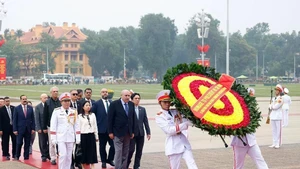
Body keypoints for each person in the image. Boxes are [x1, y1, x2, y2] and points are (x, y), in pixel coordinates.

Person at [155, 90, 198, 169]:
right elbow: (169, 130)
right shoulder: (160, 116)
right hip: (173, 145)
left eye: (169, 102)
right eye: (165, 102)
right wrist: (184, 125)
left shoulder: (175, 111)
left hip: (184, 143)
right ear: (160, 103)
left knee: (192, 165)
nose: (167, 104)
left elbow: (188, 120)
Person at [231, 88, 269, 169]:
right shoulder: (237, 108)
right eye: (249, 95)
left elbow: (254, 123)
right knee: (238, 166)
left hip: (251, 142)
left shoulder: (253, 109)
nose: (251, 97)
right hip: (239, 143)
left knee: (260, 161)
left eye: (252, 95)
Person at [50, 92, 80, 169]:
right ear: (61, 102)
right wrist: (53, 138)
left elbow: (76, 125)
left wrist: (78, 137)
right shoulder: (57, 111)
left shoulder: (74, 111)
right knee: (63, 155)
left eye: (68, 101)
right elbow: (53, 125)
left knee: (69, 156)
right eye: (65, 101)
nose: (67, 103)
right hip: (61, 136)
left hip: (70, 136)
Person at [108, 89, 135, 169]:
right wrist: (110, 132)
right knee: (118, 152)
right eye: (126, 96)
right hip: (117, 132)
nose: (127, 97)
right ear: (121, 95)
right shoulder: (114, 104)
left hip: (127, 132)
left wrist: (132, 131)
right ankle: (118, 167)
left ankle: (123, 167)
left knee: (125, 152)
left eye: (128, 96)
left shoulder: (131, 104)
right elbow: (110, 119)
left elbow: (132, 118)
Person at [91, 88, 115, 168]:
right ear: (100, 93)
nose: (105, 93)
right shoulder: (97, 103)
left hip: (111, 130)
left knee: (113, 145)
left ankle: (110, 159)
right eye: (103, 92)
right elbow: (92, 114)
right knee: (102, 146)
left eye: (106, 92)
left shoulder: (112, 103)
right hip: (101, 129)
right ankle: (103, 161)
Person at [127, 93, 151, 169]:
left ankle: (137, 165)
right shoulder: (129, 109)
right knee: (131, 150)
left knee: (139, 151)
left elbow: (145, 121)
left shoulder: (142, 109)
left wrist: (148, 132)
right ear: (132, 100)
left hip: (141, 133)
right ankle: (126, 163)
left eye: (138, 98)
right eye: (136, 98)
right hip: (132, 134)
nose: (137, 100)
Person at [13, 95, 35, 160]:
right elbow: (14, 120)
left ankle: (26, 156)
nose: (25, 100)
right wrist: (15, 129)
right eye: (23, 99)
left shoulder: (30, 108)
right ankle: (17, 156)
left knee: (27, 143)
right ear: (20, 100)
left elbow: (33, 119)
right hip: (20, 129)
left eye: (25, 99)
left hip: (28, 129)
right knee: (19, 143)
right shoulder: (17, 108)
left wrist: (33, 128)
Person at [43, 86, 61, 165]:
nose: (56, 93)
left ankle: (60, 156)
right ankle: (53, 157)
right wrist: (44, 127)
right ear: (51, 92)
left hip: (60, 125)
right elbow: (45, 115)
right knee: (52, 142)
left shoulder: (60, 101)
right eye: (54, 91)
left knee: (61, 142)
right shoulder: (47, 102)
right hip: (51, 126)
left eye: (57, 91)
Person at [79, 101, 98, 169]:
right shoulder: (80, 116)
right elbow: (78, 127)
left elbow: (95, 125)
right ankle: (83, 165)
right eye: (86, 105)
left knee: (92, 151)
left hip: (91, 134)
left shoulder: (93, 115)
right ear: (83, 107)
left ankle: (92, 165)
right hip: (83, 135)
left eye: (89, 105)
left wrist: (96, 135)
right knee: (84, 151)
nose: (88, 107)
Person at [34, 93, 49, 162]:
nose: (46, 99)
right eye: (44, 98)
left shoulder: (49, 105)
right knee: (42, 142)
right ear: (41, 99)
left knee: (50, 142)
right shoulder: (38, 107)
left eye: (47, 98)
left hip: (48, 127)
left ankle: (48, 154)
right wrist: (38, 128)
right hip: (41, 128)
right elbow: (37, 118)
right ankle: (44, 155)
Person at [70, 89, 83, 169]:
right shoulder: (68, 104)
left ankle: (78, 162)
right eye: (73, 94)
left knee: (79, 147)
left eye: (76, 94)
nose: (75, 96)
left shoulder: (80, 104)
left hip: (79, 128)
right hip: (70, 128)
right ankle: (71, 162)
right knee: (70, 147)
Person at [269, 84, 284, 149]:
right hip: (273, 116)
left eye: (277, 90)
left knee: (278, 130)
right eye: (276, 90)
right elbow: (269, 106)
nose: (276, 91)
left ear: (280, 91)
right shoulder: (273, 98)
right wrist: (271, 106)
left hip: (278, 116)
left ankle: (277, 143)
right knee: (274, 130)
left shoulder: (280, 99)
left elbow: (275, 107)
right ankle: (274, 142)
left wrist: (271, 106)